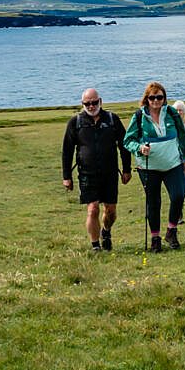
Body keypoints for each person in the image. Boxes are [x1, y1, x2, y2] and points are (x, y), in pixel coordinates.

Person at [124, 82, 185, 252]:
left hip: (173, 163)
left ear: (164, 98)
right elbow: (128, 140)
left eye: (159, 97)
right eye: (152, 97)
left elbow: (183, 136)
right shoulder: (139, 116)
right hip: (148, 167)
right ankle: (155, 238)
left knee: (178, 196)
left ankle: (171, 230)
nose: (156, 100)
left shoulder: (171, 113)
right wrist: (139, 148)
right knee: (153, 202)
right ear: (146, 99)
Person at [62, 88, 132, 251]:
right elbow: (67, 151)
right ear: (82, 104)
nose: (91, 106)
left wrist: (127, 169)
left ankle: (106, 231)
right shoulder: (75, 122)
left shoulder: (112, 119)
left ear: (100, 101)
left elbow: (124, 145)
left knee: (111, 210)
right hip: (87, 174)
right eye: (88, 103)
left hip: (110, 173)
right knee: (92, 209)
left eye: (94, 102)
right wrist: (67, 176)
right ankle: (95, 245)